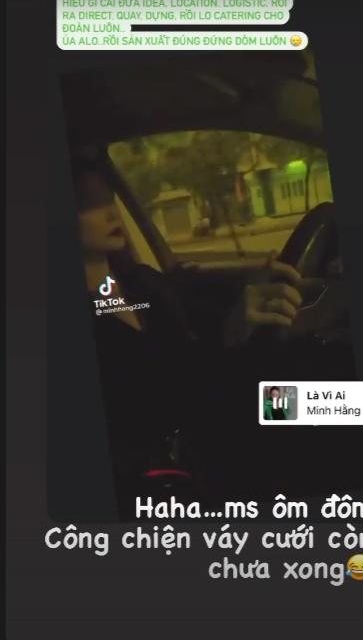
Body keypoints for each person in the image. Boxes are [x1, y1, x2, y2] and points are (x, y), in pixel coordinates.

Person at [74, 161, 304, 514]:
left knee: (326, 403)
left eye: (110, 199)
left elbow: (190, 345)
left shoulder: (142, 282)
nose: (111, 212)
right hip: (155, 477)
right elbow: (148, 402)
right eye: (90, 203)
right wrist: (227, 339)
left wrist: (239, 313)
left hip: (207, 418)